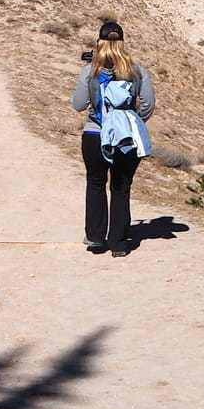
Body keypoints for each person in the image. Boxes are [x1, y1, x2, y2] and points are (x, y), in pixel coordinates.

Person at [71, 19, 156, 256]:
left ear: (99, 42)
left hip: (95, 134)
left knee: (96, 183)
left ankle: (96, 239)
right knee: (121, 186)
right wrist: (132, 121)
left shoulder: (90, 71)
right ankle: (118, 243)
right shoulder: (138, 71)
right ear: (122, 42)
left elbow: (77, 104)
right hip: (126, 138)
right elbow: (148, 104)